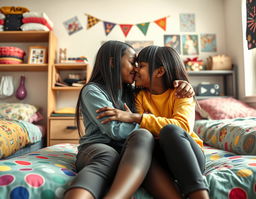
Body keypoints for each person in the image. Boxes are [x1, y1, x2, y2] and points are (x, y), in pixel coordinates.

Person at [64, 41, 194, 199]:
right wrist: (149, 128)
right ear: (113, 62)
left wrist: (185, 85)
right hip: (97, 147)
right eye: (133, 62)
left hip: (128, 151)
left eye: (139, 65)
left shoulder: (134, 92)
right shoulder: (93, 91)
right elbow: (115, 129)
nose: (136, 69)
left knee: (143, 140)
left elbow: (160, 88)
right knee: (108, 156)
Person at [96, 46, 209, 199]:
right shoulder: (139, 97)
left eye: (141, 66)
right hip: (160, 160)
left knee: (170, 131)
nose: (135, 70)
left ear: (159, 71)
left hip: (189, 157)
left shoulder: (181, 93)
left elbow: (182, 126)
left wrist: (135, 117)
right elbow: (143, 133)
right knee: (143, 152)